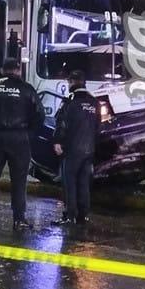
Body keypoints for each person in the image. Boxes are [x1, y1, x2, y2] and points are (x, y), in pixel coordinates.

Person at [0, 58, 44, 230]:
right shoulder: (27, 89)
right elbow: (39, 115)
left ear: (2, 70)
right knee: (19, 182)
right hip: (19, 140)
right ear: (18, 70)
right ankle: (18, 219)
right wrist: (29, 134)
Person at [53, 70, 101, 225]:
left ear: (72, 82)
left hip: (72, 149)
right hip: (89, 149)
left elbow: (61, 123)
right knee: (84, 183)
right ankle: (84, 215)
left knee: (69, 183)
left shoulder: (70, 100)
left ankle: (69, 215)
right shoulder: (94, 101)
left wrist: (58, 141)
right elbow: (98, 126)